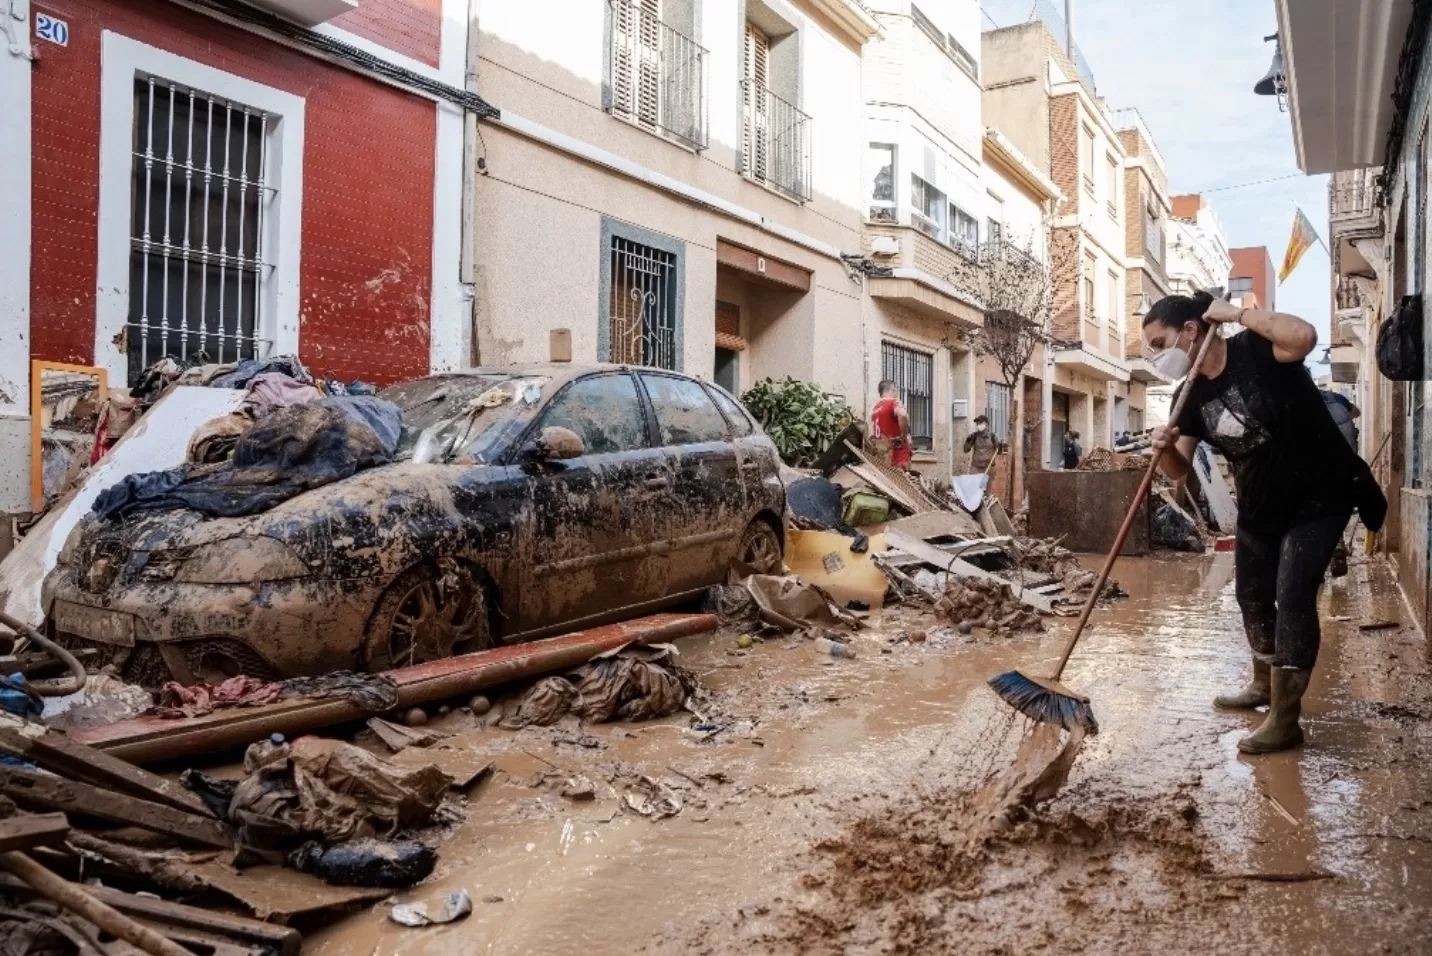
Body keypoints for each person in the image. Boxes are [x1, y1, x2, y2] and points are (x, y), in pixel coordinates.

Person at [1145, 291, 1386, 754]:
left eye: (1159, 343)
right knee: (1251, 595)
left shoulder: (1255, 348)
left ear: (1191, 330)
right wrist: (1164, 449)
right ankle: (1262, 683)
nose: (1156, 356)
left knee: (1293, 595)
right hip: (1261, 507)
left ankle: (1285, 719)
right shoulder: (1188, 394)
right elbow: (1179, 468)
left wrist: (1238, 314)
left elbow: (1304, 336)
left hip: (1319, 495)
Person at [869, 380, 912, 470]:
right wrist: (904, 436)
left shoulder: (875, 408)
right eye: (897, 390)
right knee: (902, 478)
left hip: (883, 453)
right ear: (893, 389)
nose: (897, 393)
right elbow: (903, 415)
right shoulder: (893, 402)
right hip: (897, 453)